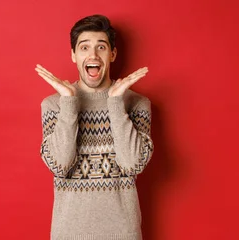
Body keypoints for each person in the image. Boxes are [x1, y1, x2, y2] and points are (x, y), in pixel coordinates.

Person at [35, 14, 154, 240]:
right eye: (84, 47)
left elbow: (132, 165)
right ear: (73, 55)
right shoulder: (53, 105)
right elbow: (59, 166)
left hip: (123, 234)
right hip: (68, 234)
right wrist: (69, 103)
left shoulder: (137, 104)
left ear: (112, 54)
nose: (93, 54)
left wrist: (116, 103)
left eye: (101, 46)